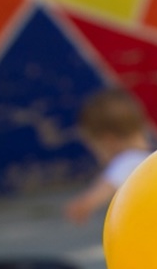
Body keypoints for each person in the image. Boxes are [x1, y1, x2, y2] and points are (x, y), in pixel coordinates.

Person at [64, 87, 152, 225]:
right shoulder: (153, 159)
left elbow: (109, 184)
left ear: (108, 141)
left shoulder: (127, 162)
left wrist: (86, 203)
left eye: (94, 146)